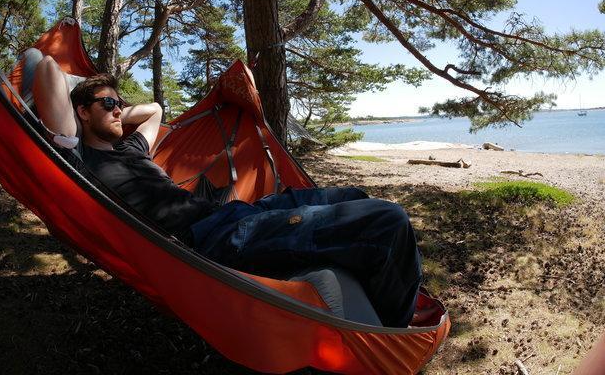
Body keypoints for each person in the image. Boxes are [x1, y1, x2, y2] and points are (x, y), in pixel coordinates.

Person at [30, 53, 423, 328]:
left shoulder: (131, 146)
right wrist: (85, 114)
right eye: (107, 104)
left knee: (355, 197)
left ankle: (374, 292)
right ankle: (389, 334)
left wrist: (113, 109)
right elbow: (46, 67)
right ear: (80, 112)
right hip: (213, 239)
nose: (118, 109)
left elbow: (154, 110)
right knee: (389, 220)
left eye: (119, 103)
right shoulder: (80, 161)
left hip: (240, 213)